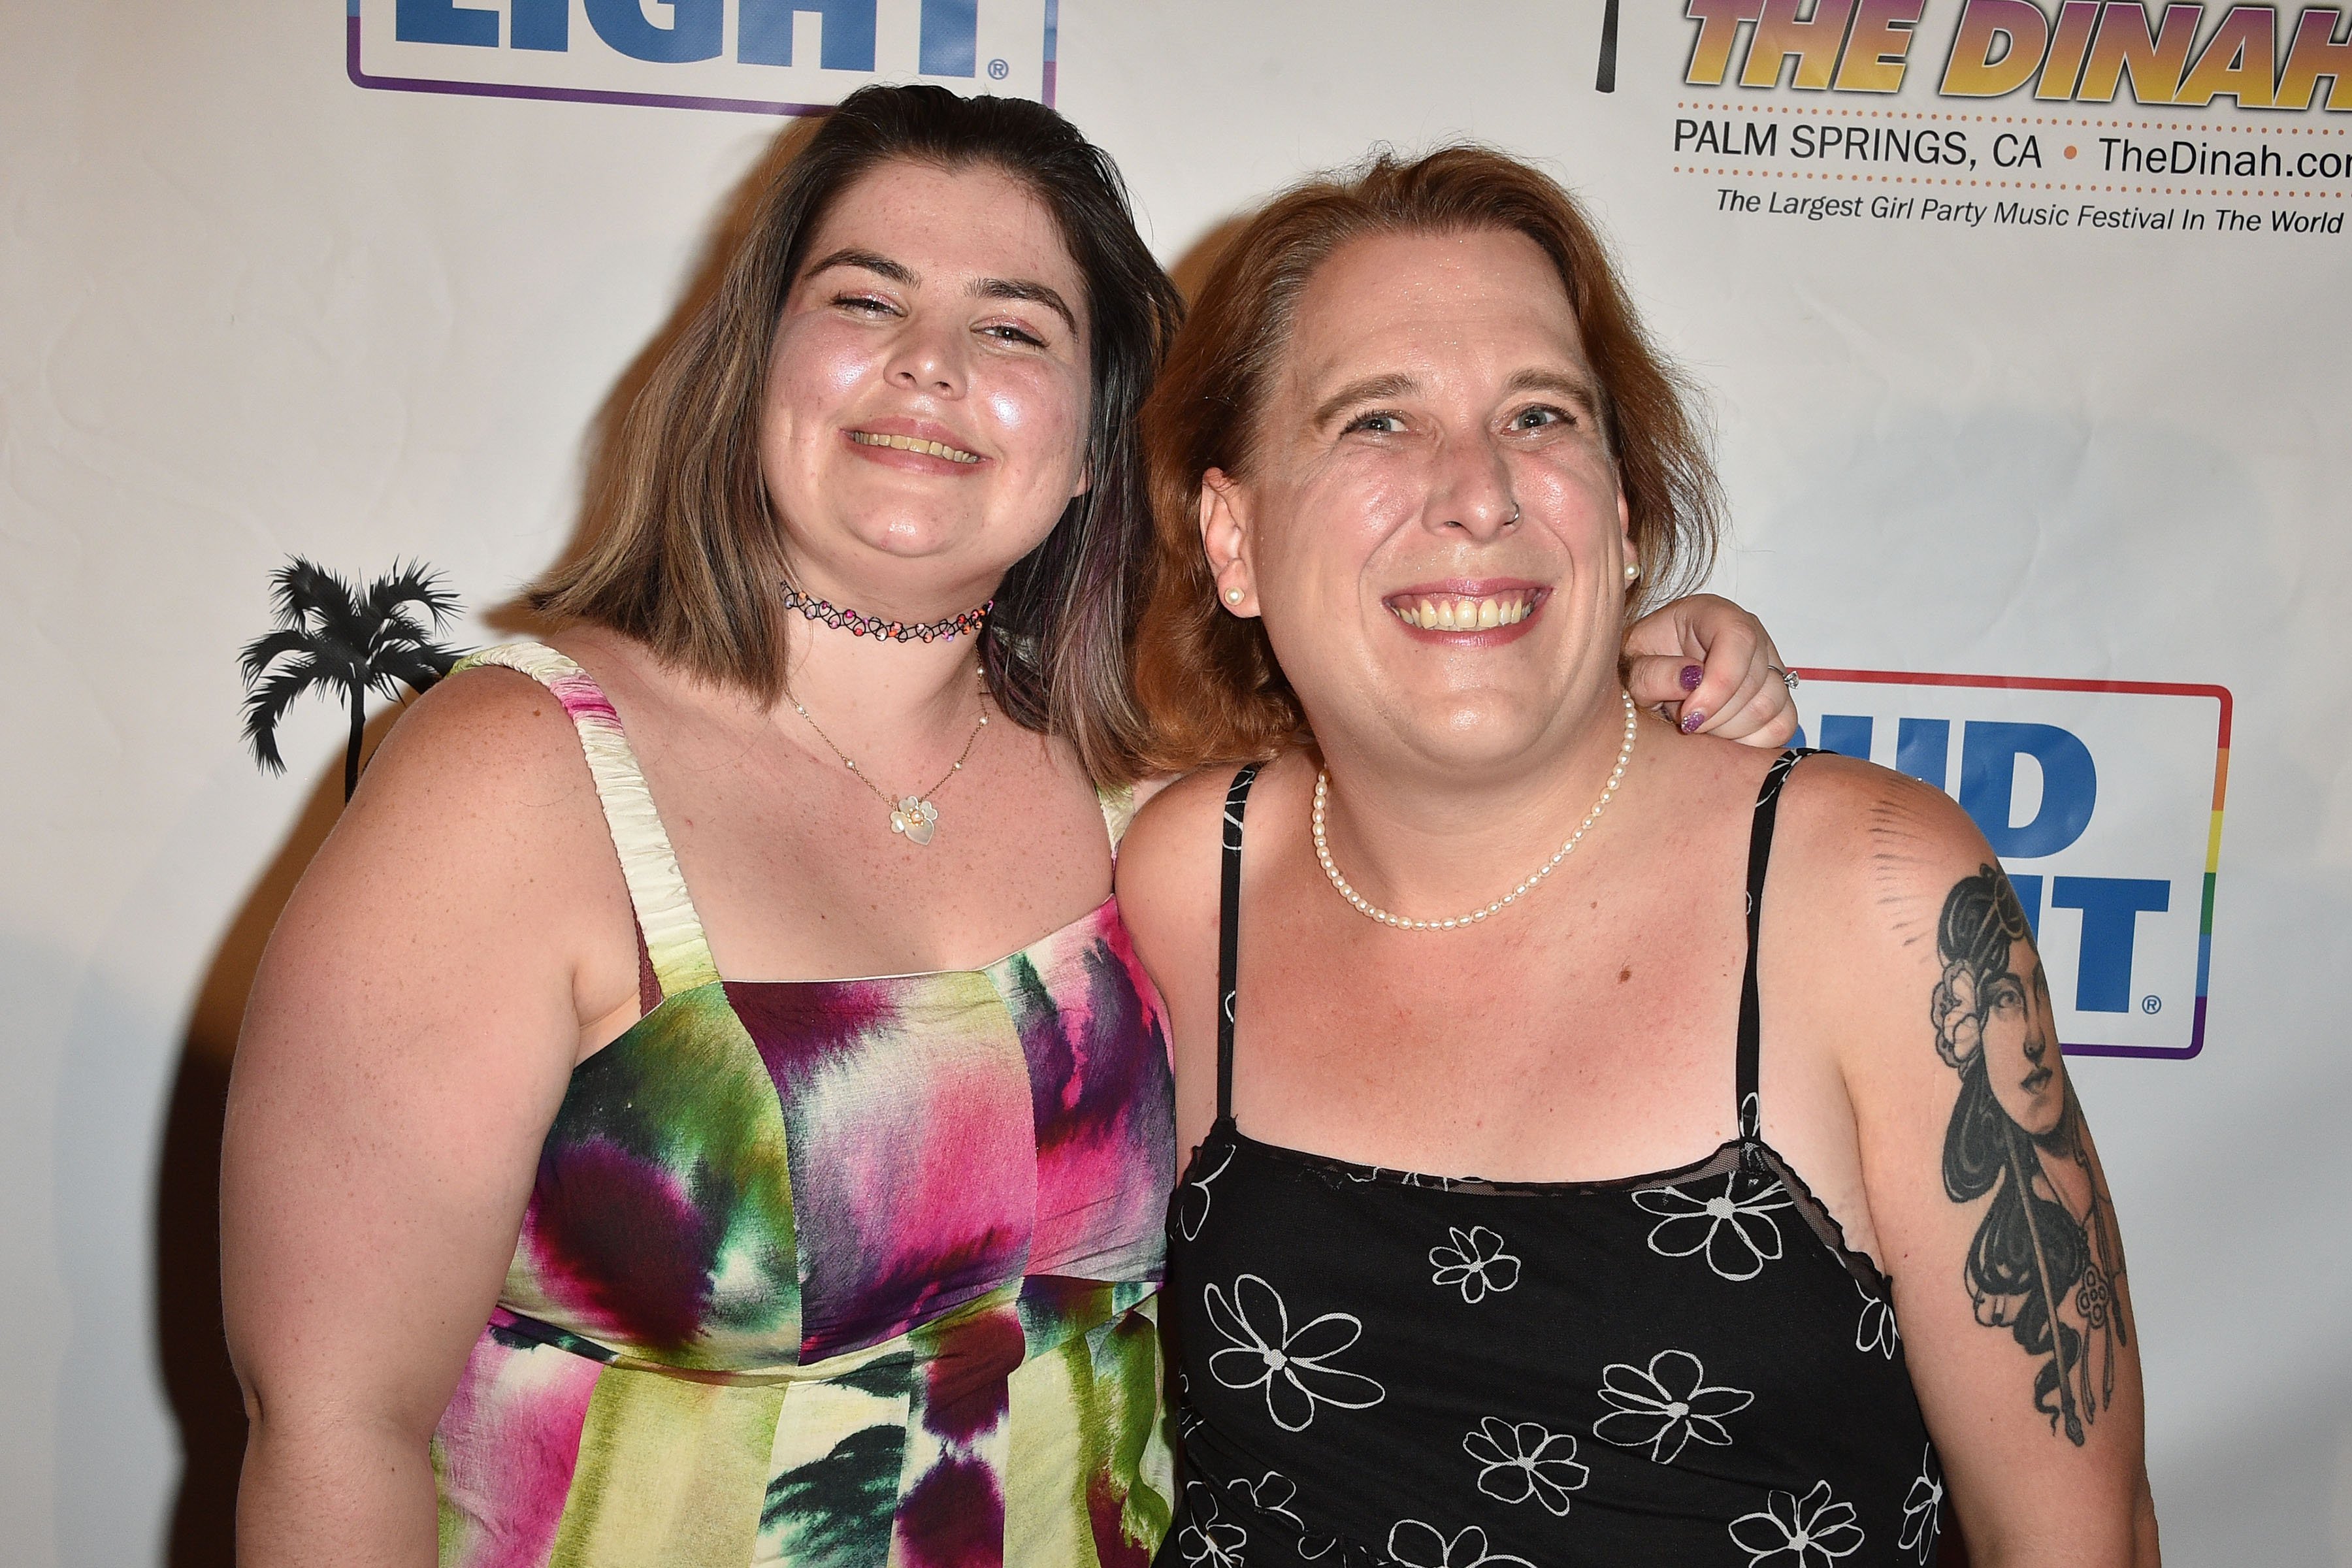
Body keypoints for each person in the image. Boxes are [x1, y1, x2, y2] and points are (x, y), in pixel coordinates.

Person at [220, 90, 1793, 1567]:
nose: (929, 364)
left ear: (1103, 430)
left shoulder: (1162, 785)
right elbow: (332, 1429)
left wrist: (1647, 661)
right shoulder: (511, 781)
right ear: (751, 364)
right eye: (863, 299)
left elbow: (1473, 782)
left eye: (1012, 327)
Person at [1117, 146, 2159, 1565]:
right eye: (1378, 422)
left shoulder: (1870, 898)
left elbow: (2076, 1545)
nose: (1477, 491)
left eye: (1538, 415)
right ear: (1233, 538)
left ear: (1615, 513)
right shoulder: (1192, 880)